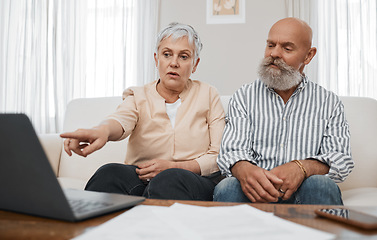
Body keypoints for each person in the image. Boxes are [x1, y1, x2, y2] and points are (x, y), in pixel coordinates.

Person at [60, 22, 225, 201]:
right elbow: (121, 119)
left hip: (192, 179)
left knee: (168, 180)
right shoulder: (138, 95)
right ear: (156, 59)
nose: (174, 63)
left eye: (184, 56)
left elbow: (218, 155)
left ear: (195, 64)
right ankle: (93, 228)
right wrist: (101, 131)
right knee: (109, 173)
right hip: (142, 176)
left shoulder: (208, 94)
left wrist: (176, 167)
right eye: (167, 54)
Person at [214, 17, 354, 205]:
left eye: (287, 48)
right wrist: (244, 169)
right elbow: (232, 151)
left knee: (321, 185)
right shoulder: (244, 96)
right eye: (271, 45)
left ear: (308, 56)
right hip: (256, 193)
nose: (275, 54)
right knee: (228, 187)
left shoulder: (329, 102)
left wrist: (302, 168)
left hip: (302, 192)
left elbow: (341, 158)